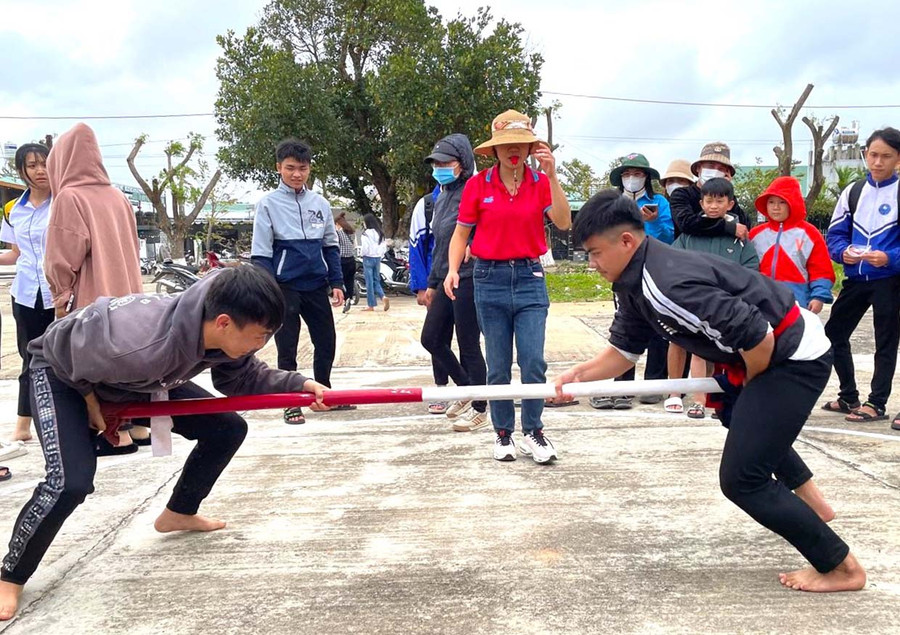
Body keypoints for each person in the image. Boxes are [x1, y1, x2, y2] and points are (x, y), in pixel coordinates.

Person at [553, 189, 866, 593]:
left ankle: (842, 567)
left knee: (742, 480)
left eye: (595, 253)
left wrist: (751, 384)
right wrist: (580, 374)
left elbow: (759, 338)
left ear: (627, 241)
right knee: (736, 414)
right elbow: (624, 351)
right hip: (770, 345)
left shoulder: (667, 283)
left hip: (793, 354)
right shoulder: (635, 277)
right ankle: (813, 503)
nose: (592, 263)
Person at [0, 267, 328, 621]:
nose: (261, 345)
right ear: (223, 323)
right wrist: (91, 402)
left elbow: (242, 378)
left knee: (226, 429)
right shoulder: (140, 344)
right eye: (260, 336)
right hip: (59, 369)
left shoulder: (215, 332)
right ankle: (11, 575)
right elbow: (59, 351)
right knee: (70, 481)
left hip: (137, 377)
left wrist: (298, 384)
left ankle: (179, 512)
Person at [443, 109, 571, 463]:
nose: (513, 151)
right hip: (488, 278)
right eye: (506, 145)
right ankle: (502, 433)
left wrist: (553, 176)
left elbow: (562, 221)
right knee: (497, 364)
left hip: (530, 277)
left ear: (531, 148)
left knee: (533, 361)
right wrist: (453, 270)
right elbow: (460, 233)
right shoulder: (478, 185)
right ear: (494, 150)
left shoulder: (539, 182)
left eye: (521, 144)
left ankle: (533, 430)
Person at [44, 123, 146, 455]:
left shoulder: (69, 197)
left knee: (92, 366)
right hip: (128, 297)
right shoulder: (118, 197)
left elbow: (62, 258)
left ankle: (116, 434)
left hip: (93, 299)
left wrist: (60, 297)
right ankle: (140, 427)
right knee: (126, 363)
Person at [251, 138, 345, 425]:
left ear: (309, 169)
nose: (296, 174)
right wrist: (267, 291)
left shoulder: (320, 204)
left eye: (302, 168)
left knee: (326, 341)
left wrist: (337, 282)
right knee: (287, 345)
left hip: (316, 284)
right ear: (279, 168)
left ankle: (324, 392)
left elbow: (330, 246)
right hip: (285, 286)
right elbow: (261, 254)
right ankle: (291, 402)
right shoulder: (267, 204)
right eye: (290, 168)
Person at [822, 127, 900, 428]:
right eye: (873, 154)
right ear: (865, 154)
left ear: (897, 159)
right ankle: (849, 396)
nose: (878, 162)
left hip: (890, 280)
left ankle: (876, 403)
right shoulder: (853, 191)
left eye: (886, 156)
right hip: (856, 278)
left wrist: (890, 258)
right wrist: (844, 254)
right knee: (833, 334)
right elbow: (835, 235)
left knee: (885, 342)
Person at [669, 178, 759, 418]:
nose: (714, 205)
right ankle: (699, 401)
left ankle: (728, 401)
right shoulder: (689, 235)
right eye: (709, 200)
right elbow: (673, 264)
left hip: (729, 307)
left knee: (732, 355)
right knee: (699, 352)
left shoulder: (739, 237)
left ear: (730, 204)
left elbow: (751, 269)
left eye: (720, 200)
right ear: (701, 203)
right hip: (697, 305)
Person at [593, 153, 674, 410]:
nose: (632, 179)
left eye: (638, 174)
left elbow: (668, 235)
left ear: (647, 178)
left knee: (659, 328)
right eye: (627, 174)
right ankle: (623, 385)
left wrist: (650, 222)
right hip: (625, 273)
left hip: (654, 269)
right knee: (627, 326)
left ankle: (653, 384)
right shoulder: (614, 203)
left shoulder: (660, 202)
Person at [420, 134, 488, 432]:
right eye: (436, 163)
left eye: (446, 162)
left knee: (469, 344)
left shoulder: (475, 190)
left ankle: (481, 409)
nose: (440, 167)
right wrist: (432, 283)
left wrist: (476, 245)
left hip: (470, 276)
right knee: (431, 338)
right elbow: (440, 244)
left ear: (463, 163)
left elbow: (484, 227)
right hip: (445, 278)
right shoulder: (442, 195)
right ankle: (467, 389)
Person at [0, 144, 54, 444]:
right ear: (21, 170)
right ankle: (23, 424)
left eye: (45, 163)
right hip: (24, 294)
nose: (39, 170)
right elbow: (14, 254)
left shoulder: (64, 202)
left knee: (68, 357)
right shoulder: (12, 209)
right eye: (32, 165)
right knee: (29, 359)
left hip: (58, 293)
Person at [750, 176, 834, 313]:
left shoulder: (809, 234)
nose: (775, 207)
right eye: (771, 202)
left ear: (792, 203)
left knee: (796, 334)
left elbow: (821, 269)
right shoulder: (755, 234)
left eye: (782, 202)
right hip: (761, 301)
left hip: (798, 301)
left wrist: (819, 296)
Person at [409, 185, 452, 414]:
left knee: (469, 342)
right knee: (437, 337)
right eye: (438, 164)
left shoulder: (473, 197)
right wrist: (421, 286)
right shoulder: (426, 205)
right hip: (436, 284)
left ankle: (472, 394)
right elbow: (416, 247)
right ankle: (442, 389)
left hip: (467, 281)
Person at [669, 142, 749, 239]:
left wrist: (727, 191)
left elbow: (744, 225)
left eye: (720, 169)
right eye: (710, 166)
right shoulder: (681, 194)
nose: (715, 171)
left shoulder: (728, 199)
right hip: (689, 251)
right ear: (699, 168)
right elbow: (687, 223)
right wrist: (728, 227)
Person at [360, 213, 390, 312]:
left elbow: (365, 248)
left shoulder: (365, 234)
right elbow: (384, 247)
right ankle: (383, 296)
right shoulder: (380, 233)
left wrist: (362, 254)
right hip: (377, 258)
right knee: (376, 280)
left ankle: (371, 305)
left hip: (368, 258)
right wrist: (379, 256)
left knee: (369, 282)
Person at [335, 210, 357, 314]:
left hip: (342, 260)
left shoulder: (338, 233)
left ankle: (346, 298)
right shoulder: (352, 233)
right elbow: (355, 246)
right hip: (352, 260)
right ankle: (350, 297)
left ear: (338, 224)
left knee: (339, 281)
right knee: (350, 280)